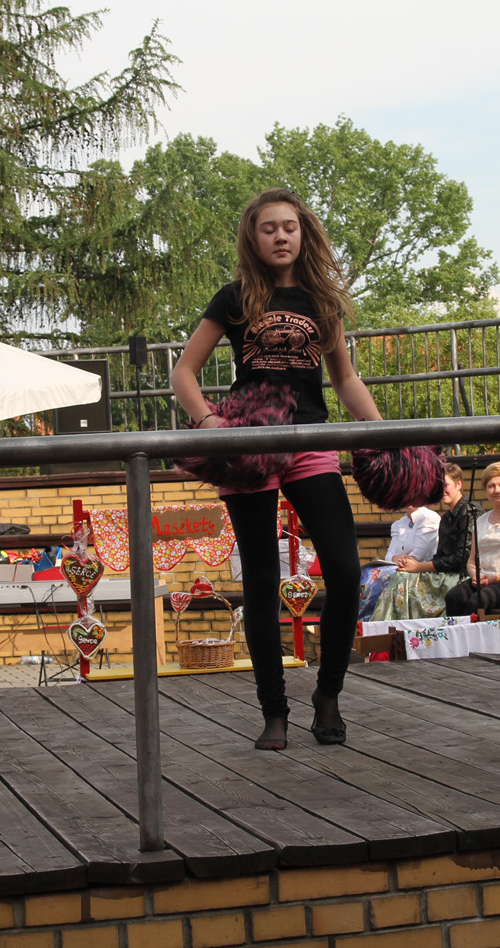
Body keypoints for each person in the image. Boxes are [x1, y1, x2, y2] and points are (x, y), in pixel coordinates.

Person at [170, 188, 385, 751]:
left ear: (303, 233)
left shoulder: (321, 300)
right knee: (262, 582)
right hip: (251, 444)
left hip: (310, 441)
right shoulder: (235, 296)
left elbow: (344, 379)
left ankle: (328, 694)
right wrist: (209, 421)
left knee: (345, 572)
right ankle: (274, 712)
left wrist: (382, 431)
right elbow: (184, 371)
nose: (281, 236)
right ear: (254, 237)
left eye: (289, 226)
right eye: (269, 228)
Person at [370, 464, 480, 621]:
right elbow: (441, 556)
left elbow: (461, 559)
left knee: (403, 579)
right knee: (399, 577)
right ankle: (389, 626)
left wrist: (419, 567)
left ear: (459, 484)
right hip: (445, 573)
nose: (442, 490)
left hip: (462, 576)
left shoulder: (469, 512)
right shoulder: (446, 518)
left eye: (446, 485)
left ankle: (396, 626)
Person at [445, 461, 500, 618]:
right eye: (491, 486)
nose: (496, 490)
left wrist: (498, 577)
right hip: (485, 579)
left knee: (477, 601)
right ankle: (457, 633)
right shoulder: (480, 520)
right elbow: (471, 560)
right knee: (453, 597)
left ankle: (474, 634)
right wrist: (475, 575)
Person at [356, 502, 440, 621]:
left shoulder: (429, 518)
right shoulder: (399, 524)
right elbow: (388, 557)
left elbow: (417, 556)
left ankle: (369, 620)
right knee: (365, 573)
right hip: (400, 569)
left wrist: (398, 557)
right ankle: (361, 621)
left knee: (373, 576)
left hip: (420, 571)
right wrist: (400, 557)